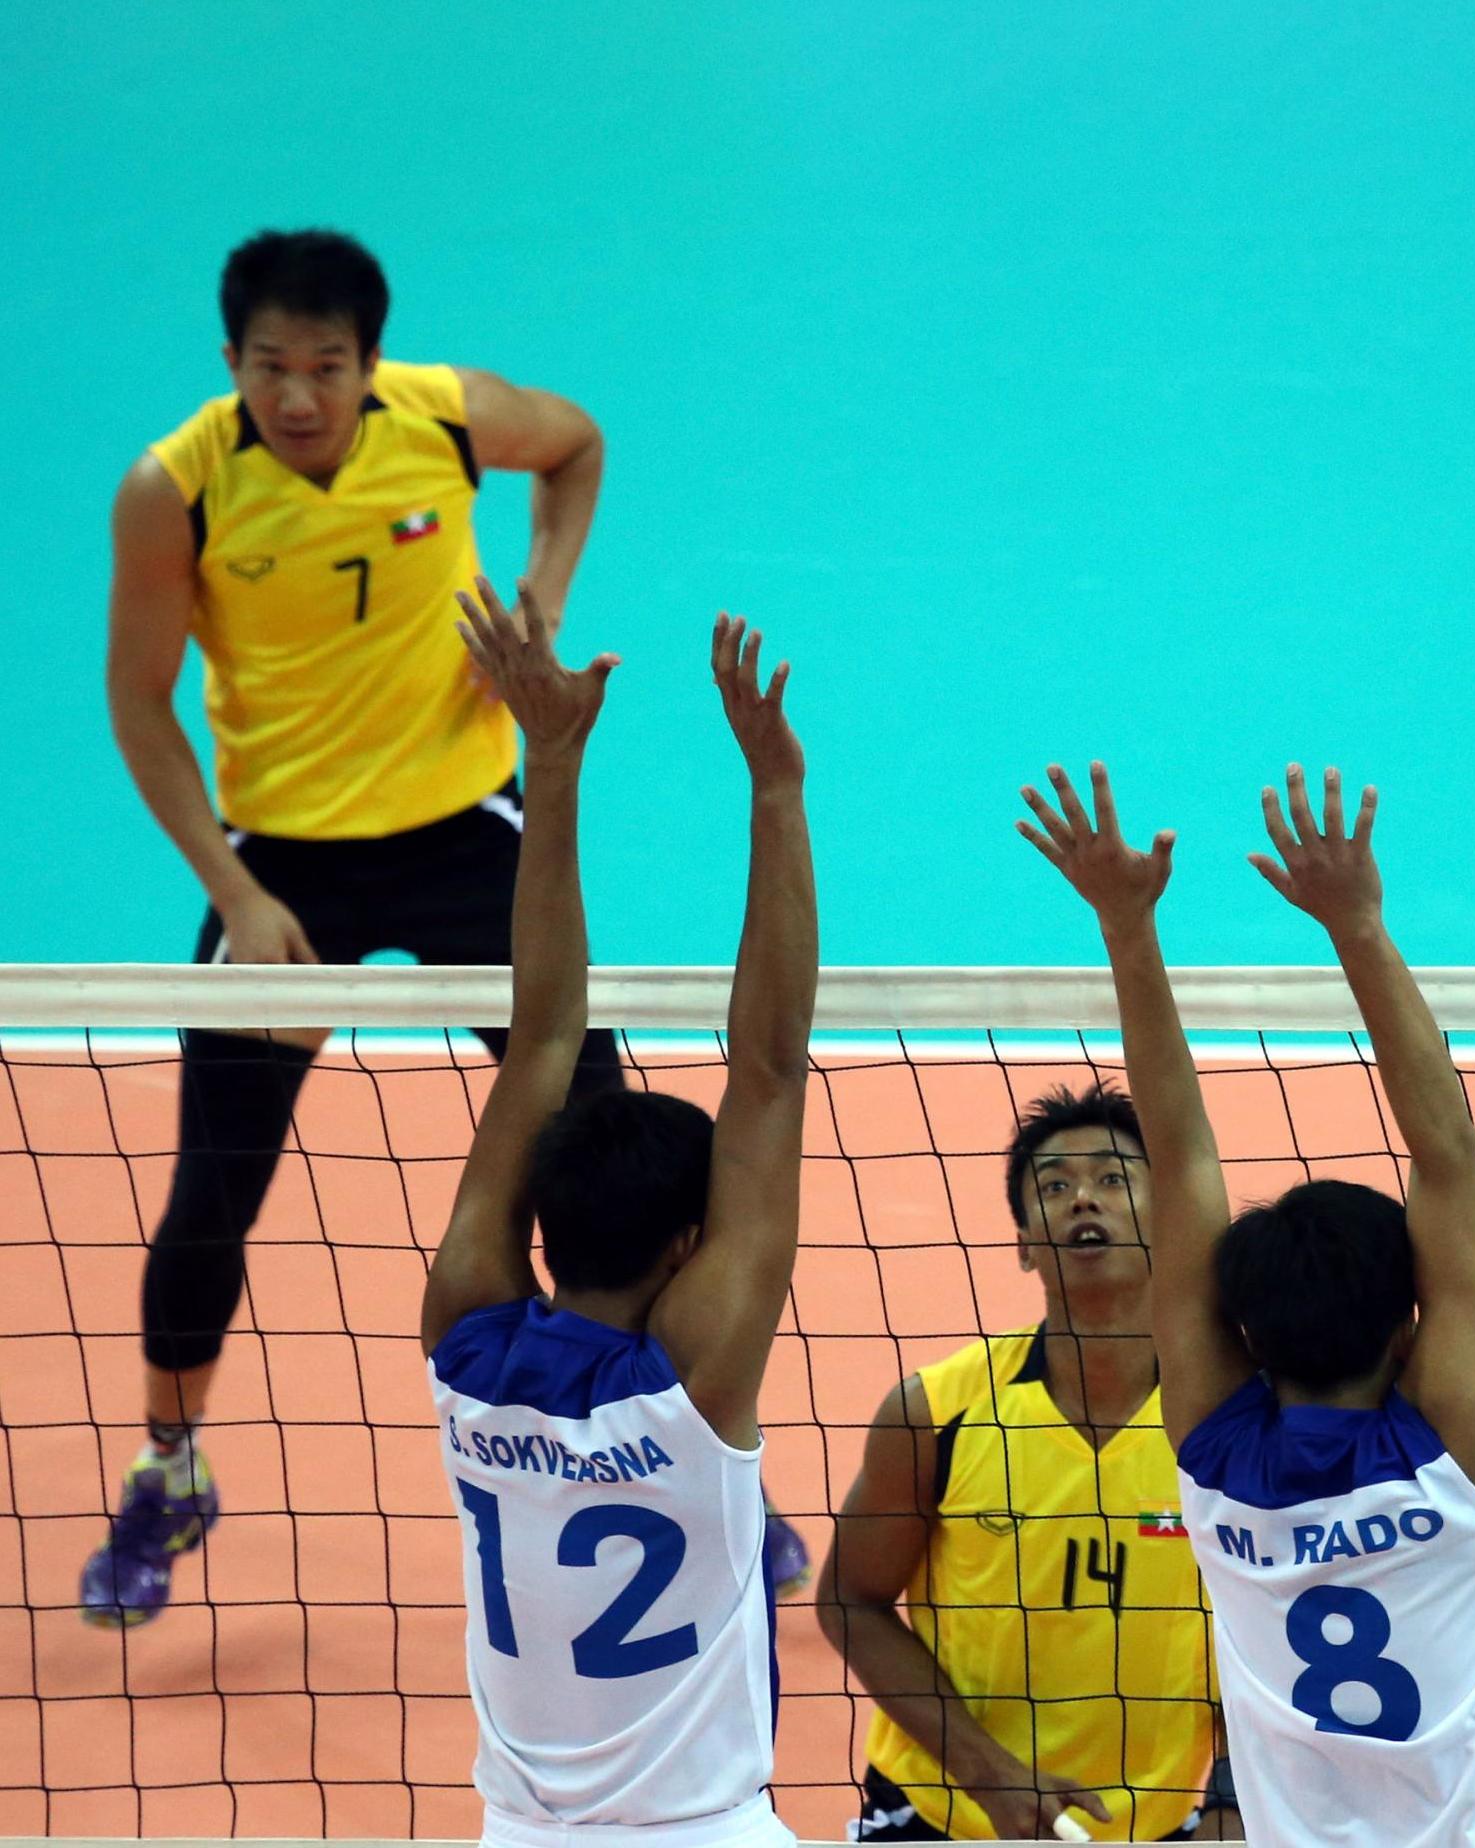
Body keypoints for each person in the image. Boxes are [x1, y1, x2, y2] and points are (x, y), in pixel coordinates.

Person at [84, 226, 811, 1621]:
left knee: (613, 1161)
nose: (301, 396)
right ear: (231, 364)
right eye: (271, 368)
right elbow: (139, 705)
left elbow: (580, 442)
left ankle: (694, 1441)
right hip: (284, 869)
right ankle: (170, 1465)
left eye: (328, 367)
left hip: (469, 840)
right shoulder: (172, 491)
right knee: (206, 1202)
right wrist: (237, 897)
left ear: (368, 361)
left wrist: (542, 592)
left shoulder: (441, 416)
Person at [1020, 762, 1475, 1848]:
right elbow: (1445, 1151)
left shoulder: (1214, 1451)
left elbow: (1180, 1154)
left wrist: (1126, 928)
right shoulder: (1444, 1448)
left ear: (1242, 1337)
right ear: (1410, 1327)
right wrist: (1356, 924)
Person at [421, 590, 815, 1848]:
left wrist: (549, 757)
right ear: (689, 1247)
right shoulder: (692, 1380)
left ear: (540, 1221)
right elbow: (766, 1065)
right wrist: (773, 788)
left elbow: (540, 1032)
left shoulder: (468, 1345)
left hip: (519, 1833)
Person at [819, 1081, 1240, 1842]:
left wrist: (1234, 1804)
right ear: (1023, 1244)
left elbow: (1271, 1624)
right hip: (946, 1812)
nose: (1084, 1200)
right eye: (1054, 1187)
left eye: (1113, 1179)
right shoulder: (937, 1411)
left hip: (1158, 1826)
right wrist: (987, 1770)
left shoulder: (1228, 1426)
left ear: (1170, 1219)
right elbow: (851, 1599)